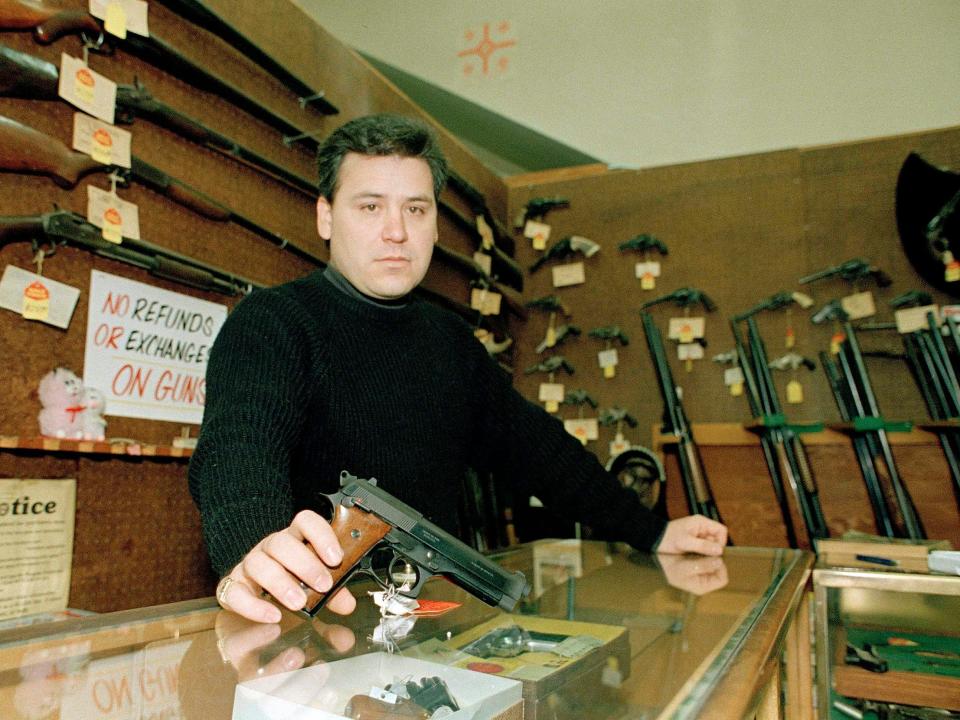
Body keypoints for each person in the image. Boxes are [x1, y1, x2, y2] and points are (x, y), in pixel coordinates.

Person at [188, 113, 727, 624]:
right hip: (313, 631)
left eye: (416, 209)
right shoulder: (274, 322)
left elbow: (540, 452)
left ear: (436, 226)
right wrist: (252, 544)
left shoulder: (449, 340)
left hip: (432, 630)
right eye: (370, 207)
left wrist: (653, 532)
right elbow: (239, 447)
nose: (396, 231)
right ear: (326, 216)